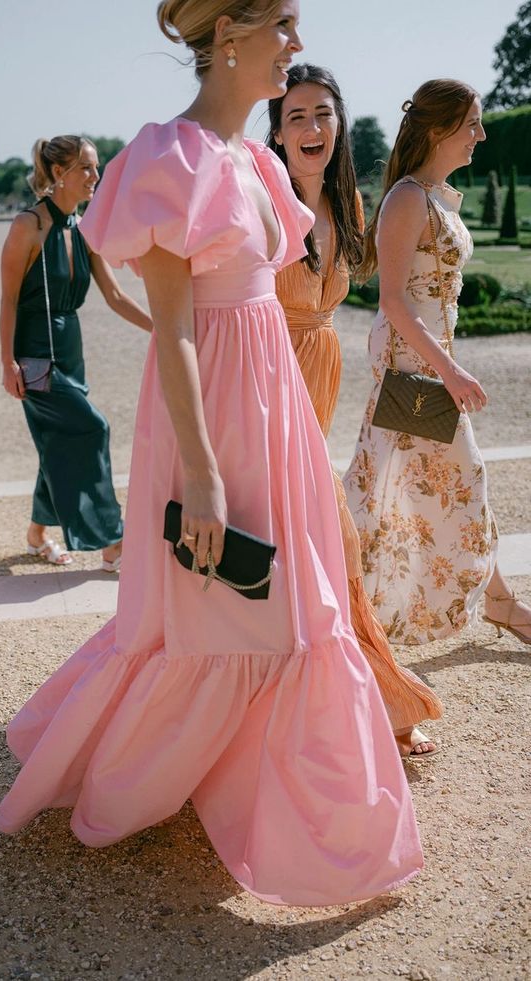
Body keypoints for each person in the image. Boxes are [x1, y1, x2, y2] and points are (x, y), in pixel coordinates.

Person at [0, 1, 423, 907]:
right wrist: (199, 472)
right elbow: (176, 334)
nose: (297, 46)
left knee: (297, 603)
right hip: (214, 410)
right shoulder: (166, 157)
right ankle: (169, 777)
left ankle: (300, 799)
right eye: (284, 26)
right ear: (228, 33)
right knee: (230, 603)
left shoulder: (258, 159)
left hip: (272, 394)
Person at [267, 64, 443, 758]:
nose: (311, 128)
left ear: (339, 125)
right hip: (267, 372)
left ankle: (365, 698)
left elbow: (388, 297)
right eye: (296, 117)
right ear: (277, 134)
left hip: (322, 370)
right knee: (314, 542)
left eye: (322, 114)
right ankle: (346, 705)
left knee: (319, 543)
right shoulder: (264, 201)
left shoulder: (349, 204)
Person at [343, 79, 531, 648]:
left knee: (393, 489)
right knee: (408, 490)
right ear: (437, 128)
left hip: (426, 364)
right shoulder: (406, 197)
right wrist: (449, 372)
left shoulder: (430, 193)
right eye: (472, 123)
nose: (480, 134)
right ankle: (346, 613)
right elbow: (393, 302)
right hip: (413, 373)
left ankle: (499, 603)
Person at [0, 135, 152, 570]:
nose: (95, 176)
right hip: (33, 357)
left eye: (96, 167)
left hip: (70, 349)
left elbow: (116, 296)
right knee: (92, 428)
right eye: (86, 167)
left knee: (58, 441)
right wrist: (6, 362)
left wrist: (161, 330)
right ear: (59, 173)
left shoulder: (83, 228)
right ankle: (112, 542)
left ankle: (35, 535)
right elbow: (8, 299)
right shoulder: (27, 226)